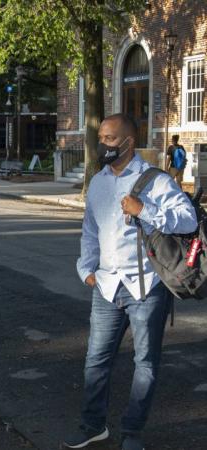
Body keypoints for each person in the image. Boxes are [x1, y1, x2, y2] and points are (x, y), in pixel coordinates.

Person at [64, 114, 197, 450]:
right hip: (107, 286)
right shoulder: (98, 181)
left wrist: (145, 209)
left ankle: (132, 432)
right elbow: (90, 230)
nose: (102, 144)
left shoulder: (156, 180)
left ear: (127, 142)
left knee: (146, 363)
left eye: (109, 138)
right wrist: (86, 268)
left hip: (146, 287)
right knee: (96, 358)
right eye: (101, 137)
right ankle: (93, 425)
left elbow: (188, 218)